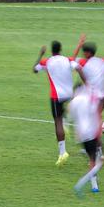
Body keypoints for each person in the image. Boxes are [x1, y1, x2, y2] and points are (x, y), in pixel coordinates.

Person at [33, 36, 79, 166]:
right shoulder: (67, 60)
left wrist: (40, 54)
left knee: (57, 121)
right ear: (60, 50)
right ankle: (67, 125)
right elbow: (77, 66)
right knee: (67, 115)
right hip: (69, 94)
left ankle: (62, 152)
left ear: (52, 51)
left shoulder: (46, 61)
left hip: (56, 96)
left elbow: (34, 70)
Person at [68, 85, 104, 197]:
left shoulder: (73, 102)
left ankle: (94, 185)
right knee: (99, 160)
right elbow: (97, 114)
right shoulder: (89, 98)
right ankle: (85, 184)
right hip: (92, 132)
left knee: (92, 160)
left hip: (82, 135)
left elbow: (72, 117)